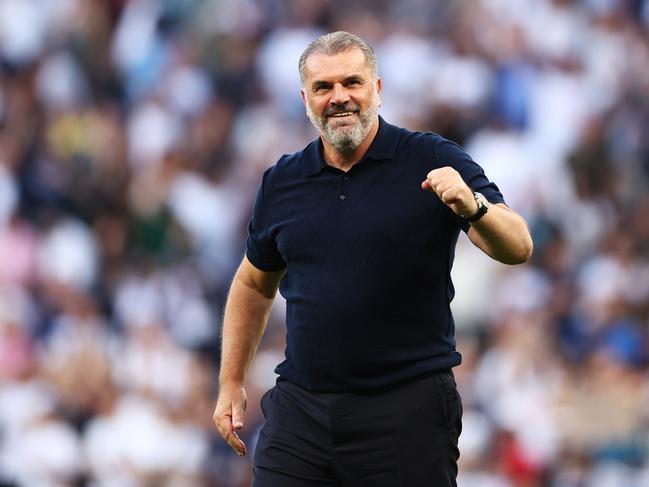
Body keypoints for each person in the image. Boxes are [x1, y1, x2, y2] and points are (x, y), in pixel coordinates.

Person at [213, 31, 533, 486]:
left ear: (377, 89)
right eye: (323, 88)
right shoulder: (283, 181)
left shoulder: (430, 157)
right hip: (302, 406)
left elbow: (518, 246)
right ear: (305, 99)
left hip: (406, 408)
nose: (339, 97)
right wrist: (231, 382)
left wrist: (473, 206)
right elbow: (252, 283)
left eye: (352, 82)